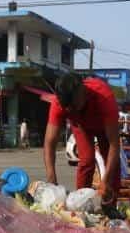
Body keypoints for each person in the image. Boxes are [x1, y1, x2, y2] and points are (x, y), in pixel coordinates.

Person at [43, 73, 121, 204]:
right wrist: (51, 179)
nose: (71, 111)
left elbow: (114, 144)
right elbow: (49, 143)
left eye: (74, 106)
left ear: (82, 91)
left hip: (104, 127)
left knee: (111, 163)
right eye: (67, 109)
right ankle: (80, 205)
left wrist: (105, 181)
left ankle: (110, 206)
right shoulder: (59, 103)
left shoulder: (104, 97)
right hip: (80, 125)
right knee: (86, 160)